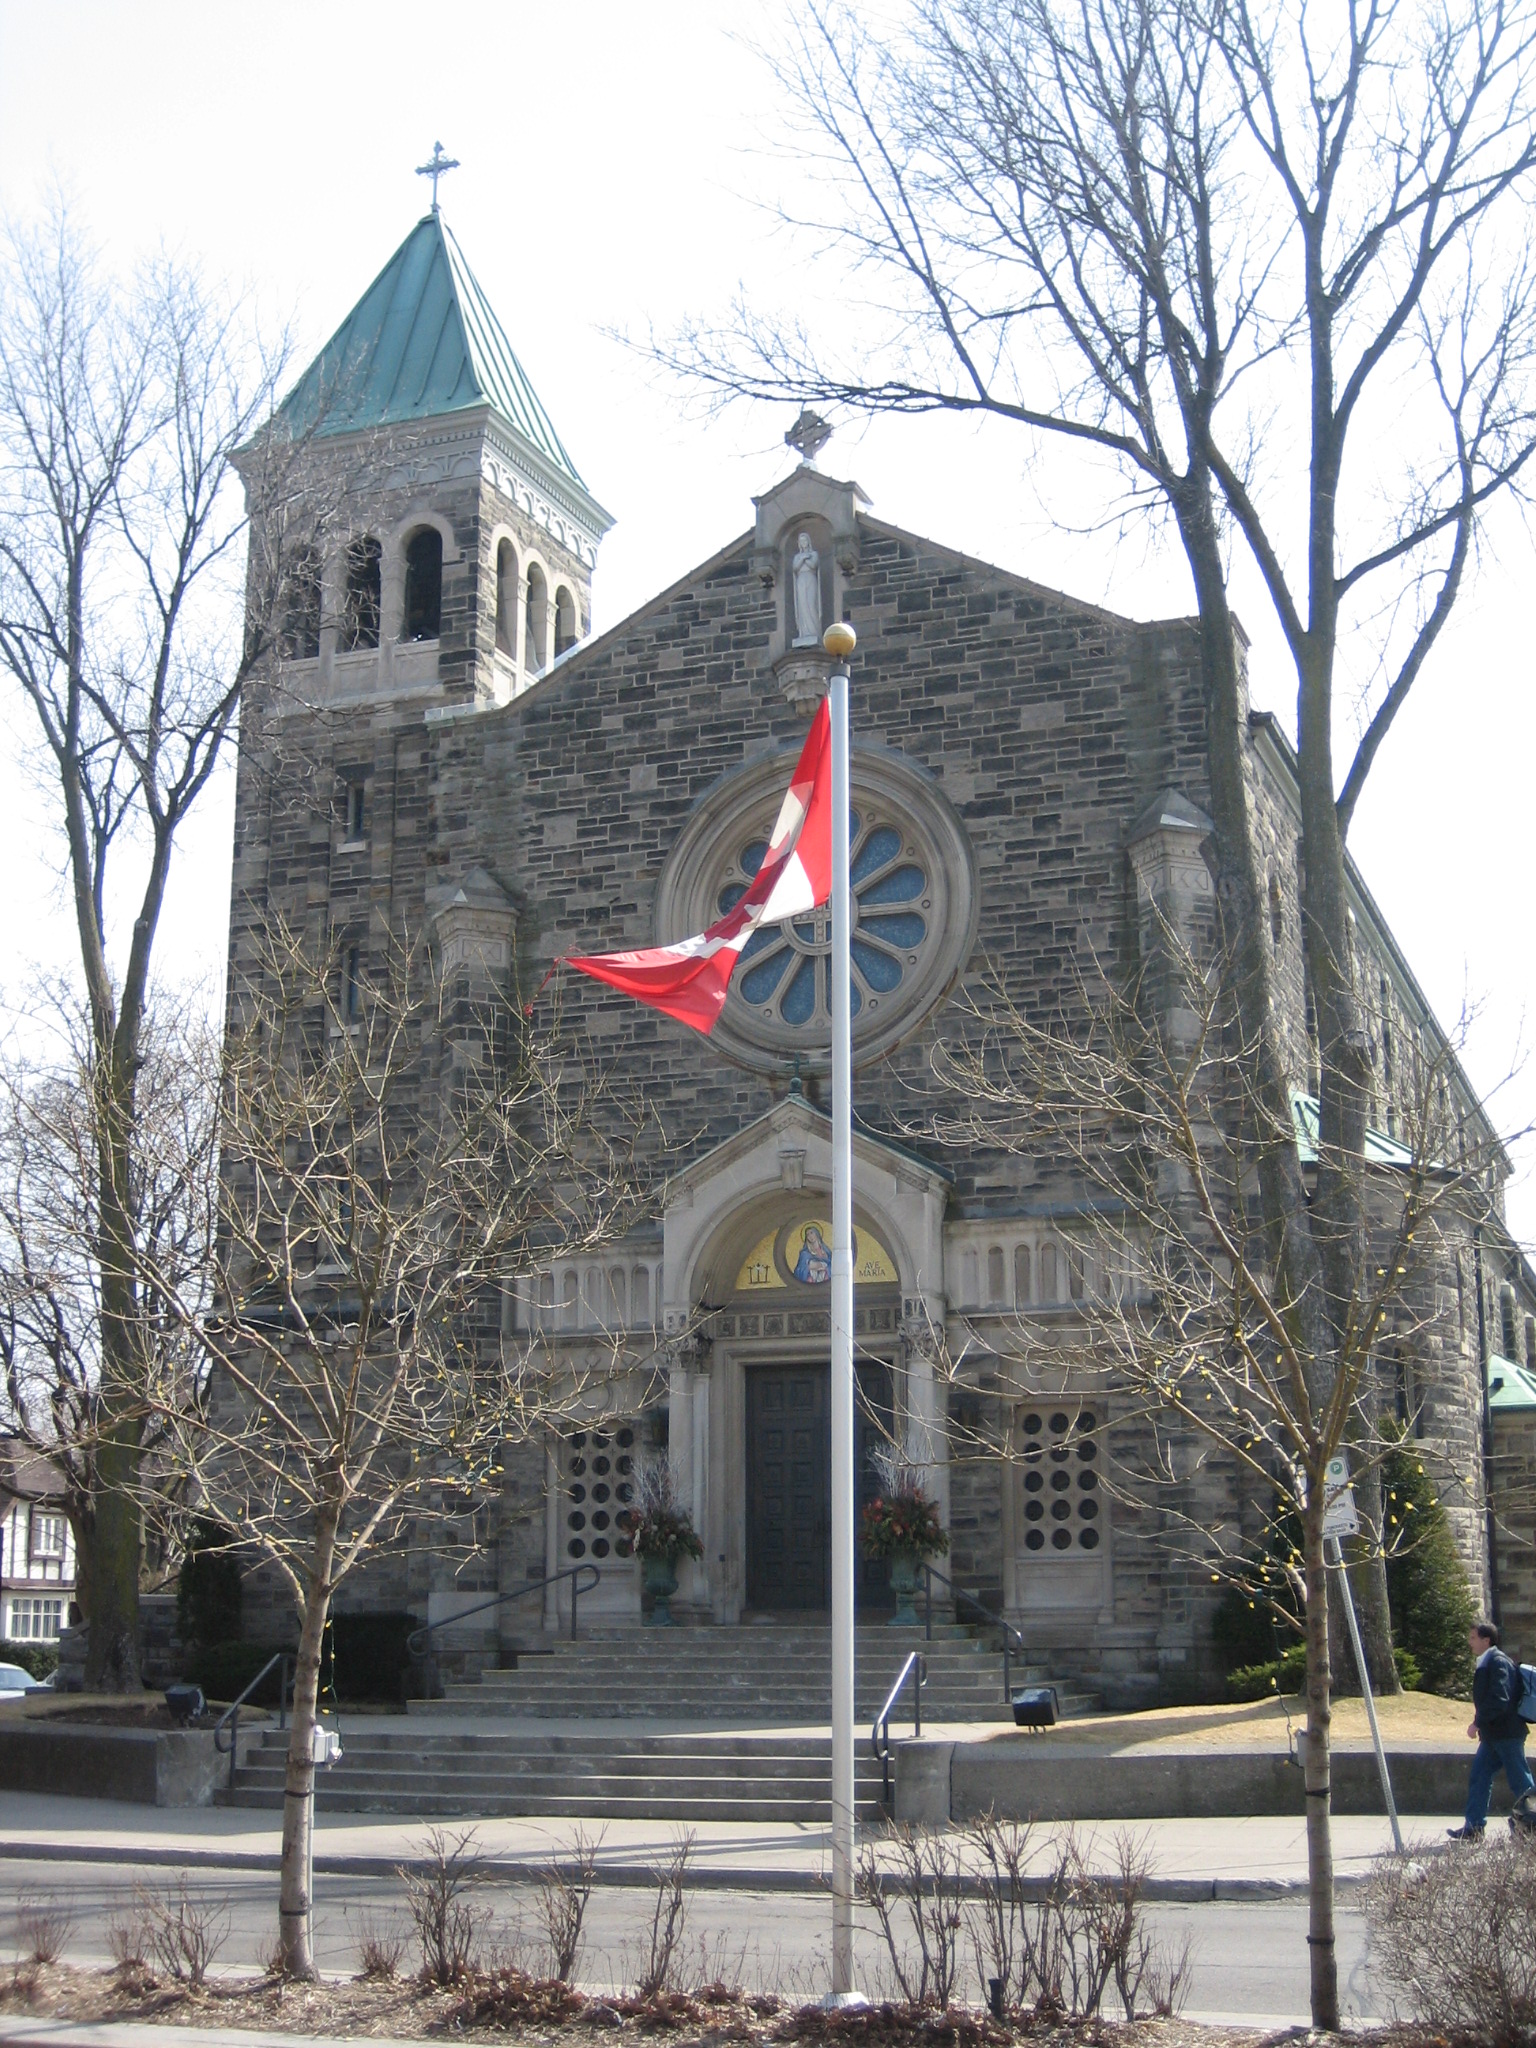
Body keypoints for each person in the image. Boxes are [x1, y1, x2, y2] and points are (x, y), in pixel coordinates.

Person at [1449, 1620, 1534, 1840]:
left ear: (1487, 1640)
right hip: (1494, 1735)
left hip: (1506, 1734)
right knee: (1480, 1777)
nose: (1470, 1643)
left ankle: (1532, 1825)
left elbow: (1499, 1699)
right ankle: (1474, 1828)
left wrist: (1477, 1722)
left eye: (1473, 1638)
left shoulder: (1497, 1662)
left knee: (1521, 1783)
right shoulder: (1488, 1661)